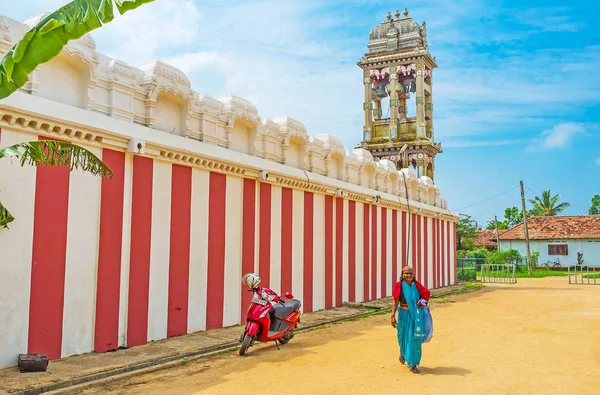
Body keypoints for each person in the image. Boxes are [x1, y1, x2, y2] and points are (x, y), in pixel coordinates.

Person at [391, 266, 431, 373]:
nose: (408, 275)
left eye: (410, 273)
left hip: (415, 316)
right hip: (403, 315)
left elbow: (426, 294)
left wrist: (422, 301)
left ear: (413, 275)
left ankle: (413, 363)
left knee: (414, 339)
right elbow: (395, 301)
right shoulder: (399, 286)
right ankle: (403, 352)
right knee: (402, 337)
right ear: (402, 275)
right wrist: (392, 315)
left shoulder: (417, 285)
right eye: (406, 273)